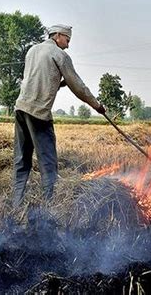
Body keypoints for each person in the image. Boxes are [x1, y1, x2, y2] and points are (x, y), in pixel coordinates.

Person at [12, 24, 106, 207]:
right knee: (48, 163)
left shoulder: (32, 50)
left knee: (21, 160)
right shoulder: (60, 55)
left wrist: (58, 83)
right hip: (39, 113)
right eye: (67, 40)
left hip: (21, 109)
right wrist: (97, 106)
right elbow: (78, 86)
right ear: (58, 35)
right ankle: (49, 209)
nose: (68, 45)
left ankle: (16, 205)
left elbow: (36, 77)